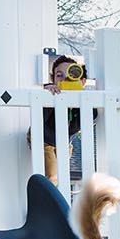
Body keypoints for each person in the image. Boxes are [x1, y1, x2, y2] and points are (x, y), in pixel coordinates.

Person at [38, 53, 83, 182]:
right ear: (52, 78)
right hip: (45, 139)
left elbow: (79, 125)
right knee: (52, 175)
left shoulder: (78, 99)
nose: (64, 80)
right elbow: (40, 119)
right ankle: (50, 192)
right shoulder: (48, 94)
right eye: (59, 75)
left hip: (64, 142)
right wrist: (47, 93)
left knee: (63, 173)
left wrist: (77, 96)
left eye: (70, 76)